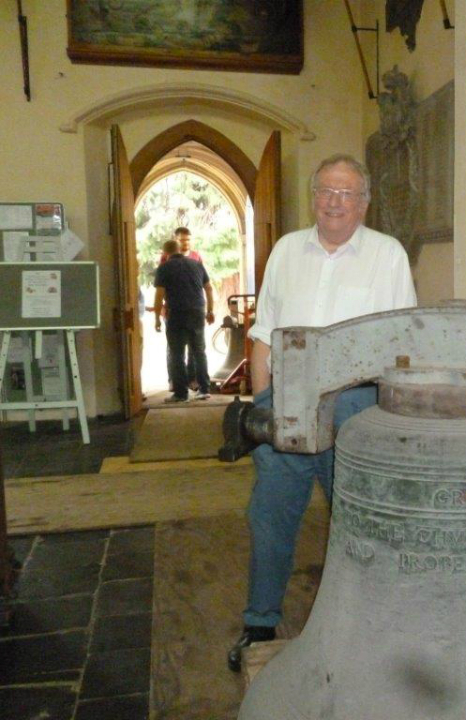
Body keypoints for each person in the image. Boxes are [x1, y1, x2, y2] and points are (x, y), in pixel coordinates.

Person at [227, 154, 417, 671]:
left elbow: (401, 343)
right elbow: (264, 331)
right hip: (286, 405)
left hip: (355, 408)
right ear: (314, 197)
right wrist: (264, 403)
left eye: (347, 193)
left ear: (365, 202)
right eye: (326, 191)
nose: (335, 202)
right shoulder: (288, 250)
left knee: (358, 522)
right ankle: (260, 623)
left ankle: (369, 628)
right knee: (269, 517)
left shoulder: (387, 255)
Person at [153, 238, 215, 403]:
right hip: (197, 313)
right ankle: (204, 389)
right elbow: (208, 288)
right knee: (199, 351)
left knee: (177, 354)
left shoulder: (164, 268)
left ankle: (181, 393)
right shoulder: (196, 264)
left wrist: (157, 318)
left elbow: (159, 294)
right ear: (180, 250)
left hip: (177, 314)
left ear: (165, 253)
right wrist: (210, 311)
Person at [160, 227, 204, 390]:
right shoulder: (166, 258)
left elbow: (202, 283)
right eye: (182, 240)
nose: (185, 243)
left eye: (188, 240)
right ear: (176, 240)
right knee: (174, 347)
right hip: (173, 309)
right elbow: (162, 285)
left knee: (194, 347)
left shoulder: (196, 257)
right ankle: (174, 380)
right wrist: (163, 307)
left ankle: (192, 379)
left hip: (193, 309)